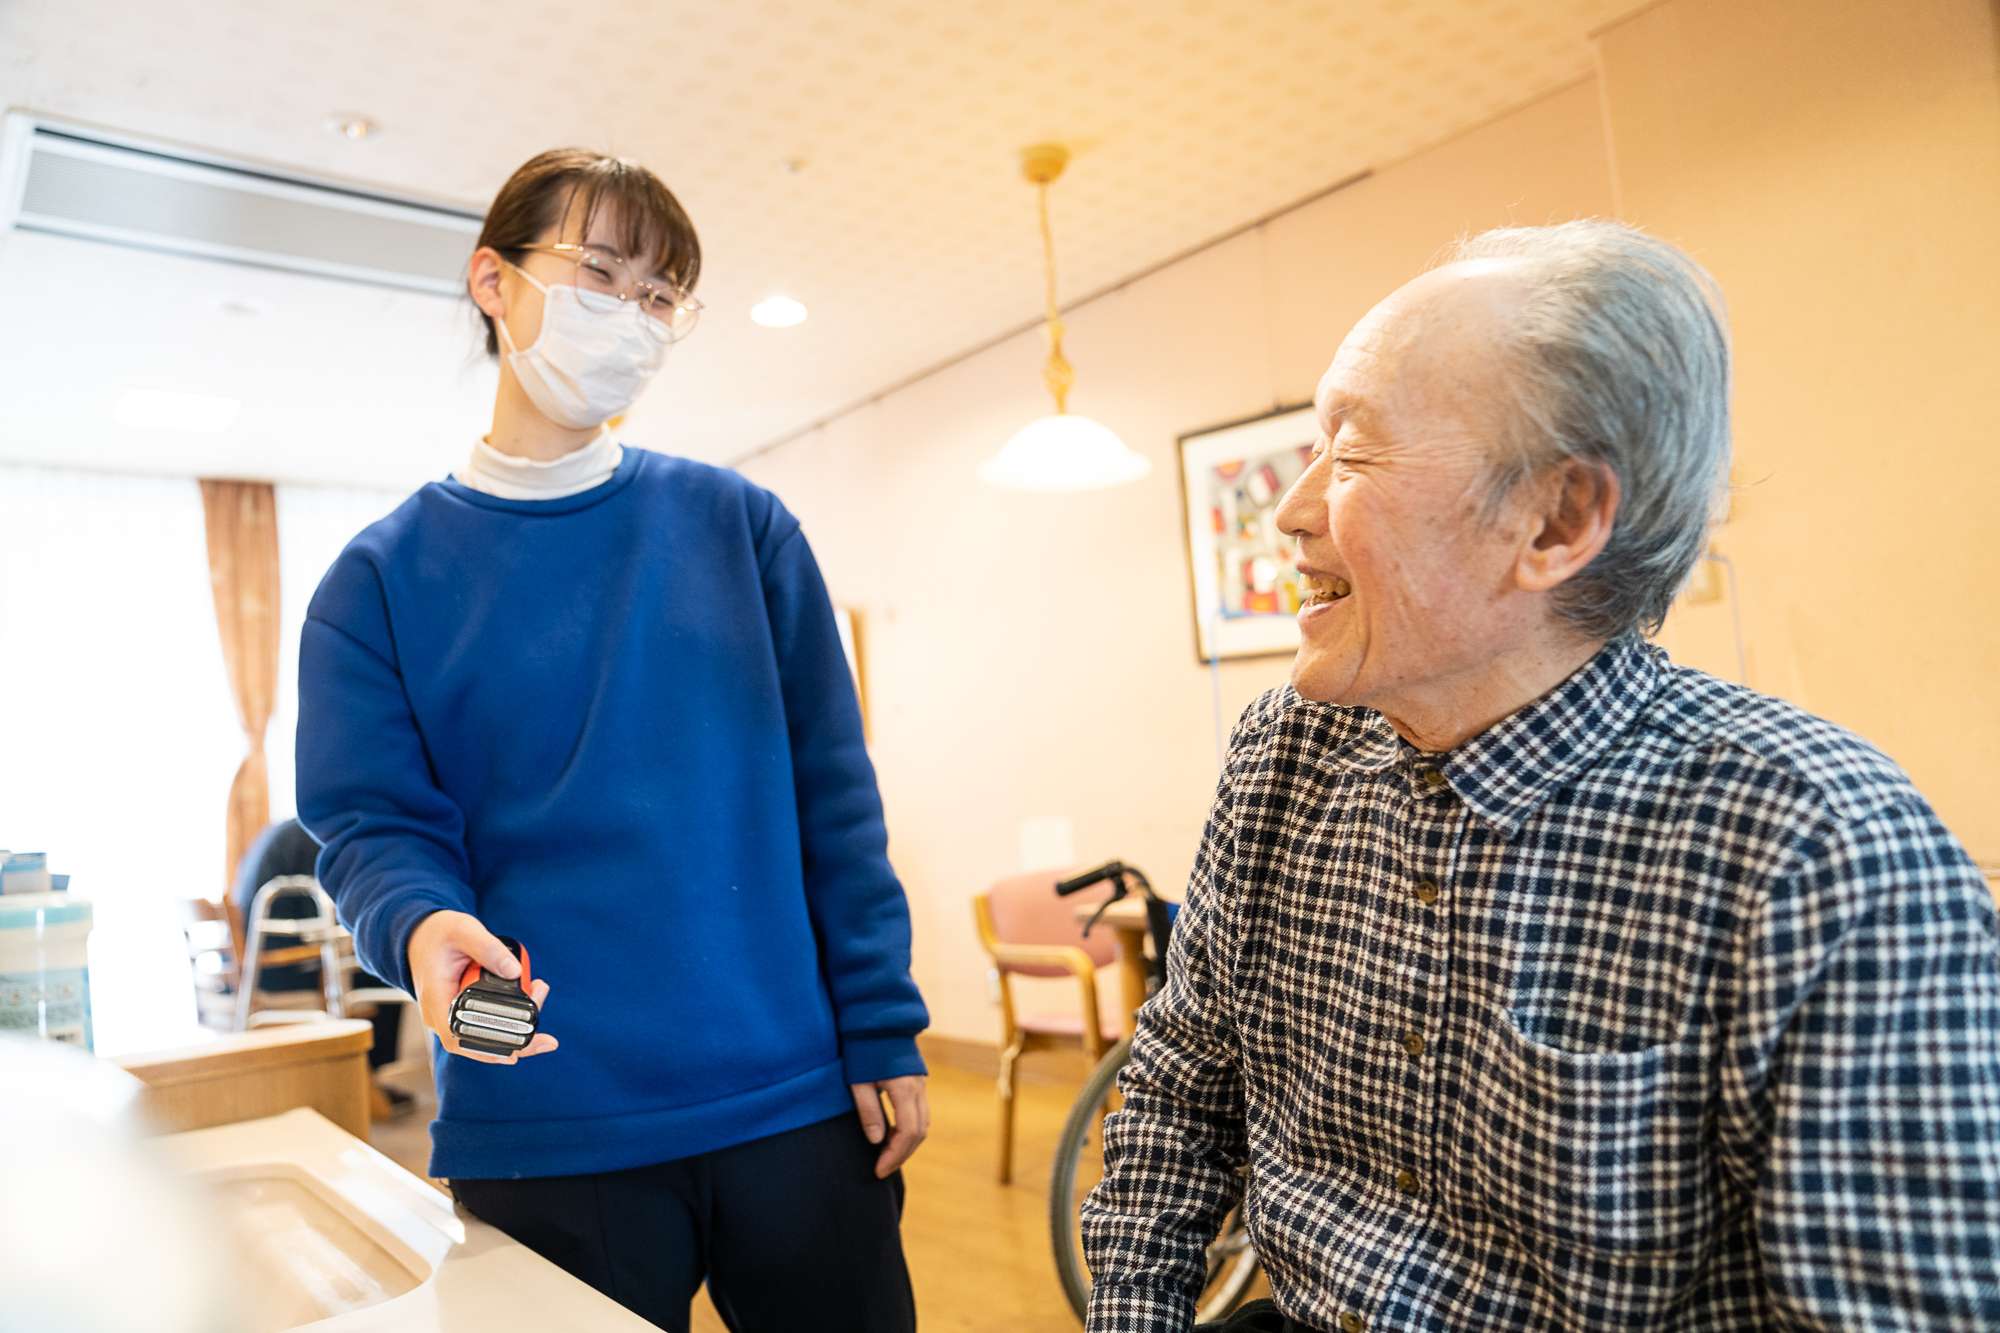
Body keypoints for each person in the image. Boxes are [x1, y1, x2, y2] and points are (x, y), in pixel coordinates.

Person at [1081, 220, 2000, 1332]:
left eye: (1354, 451)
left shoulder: (1818, 846)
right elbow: (1180, 1088)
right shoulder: (1283, 749)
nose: (1289, 507)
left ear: (1555, 522)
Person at [296, 148, 928, 1333]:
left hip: (789, 1100)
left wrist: (880, 1019)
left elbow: (833, 798)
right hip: (548, 1115)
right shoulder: (377, 581)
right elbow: (372, 826)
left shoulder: (739, 529)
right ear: (493, 279)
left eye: (659, 297)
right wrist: (423, 924)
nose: (631, 317)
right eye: (600, 273)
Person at [230, 818, 409, 1117]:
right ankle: (364, 1075)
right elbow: (327, 915)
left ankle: (365, 1074)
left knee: (368, 957)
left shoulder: (280, 833)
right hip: (284, 969)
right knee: (383, 965)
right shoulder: (314, 837)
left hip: (260, 967)